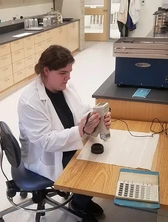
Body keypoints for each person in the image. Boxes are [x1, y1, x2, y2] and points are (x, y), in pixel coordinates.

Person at [17, 45, 111, 222]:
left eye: (69, 71)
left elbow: (80, 109)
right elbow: (46, 142)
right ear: (46, 71)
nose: (68, 77)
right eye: (62, 73)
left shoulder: (65, 86)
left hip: (69, 142)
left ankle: (81, 198)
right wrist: (82, 130)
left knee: (102, 155)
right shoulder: (30, 101)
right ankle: (78, 203)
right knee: (91, 168)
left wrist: (95, 117)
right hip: (47, 156)